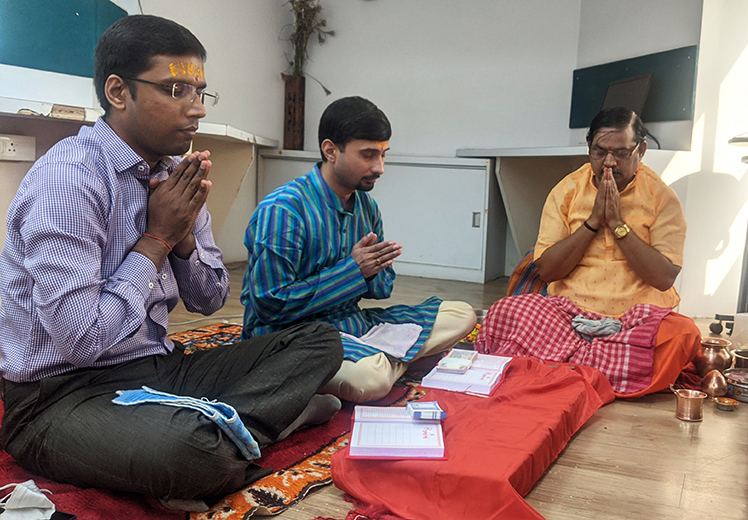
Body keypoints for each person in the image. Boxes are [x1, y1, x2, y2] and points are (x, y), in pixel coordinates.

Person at [0, 15, 343, 511]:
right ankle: (248, 425)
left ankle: (224, 425)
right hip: (59, 397)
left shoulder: (173, 176)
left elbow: (208, 301)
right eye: (176, 88)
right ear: (119, 92)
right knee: (192, 455)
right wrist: (157, 238)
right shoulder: (69, 179)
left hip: (158, 368)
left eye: (202, 92)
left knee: (319, 341)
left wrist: (182, 241)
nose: (197, 109)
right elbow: (79, 343)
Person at [241, 96, 477, 403]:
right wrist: (352, 271)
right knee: (370, 381)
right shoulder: (284, 209)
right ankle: (392, 360)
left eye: (383, 155)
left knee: (462, 314)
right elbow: (269, 304)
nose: (379, 168)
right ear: (330, 150)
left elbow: (382, 290)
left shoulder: (367, 207)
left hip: (351, 325)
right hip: (290, 338)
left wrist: (373, 271)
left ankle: (383, 359)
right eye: (368, 155)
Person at [476, 107, 701, 397]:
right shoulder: (567, 190)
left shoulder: (661, 197)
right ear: (588, 148)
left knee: (682, 335)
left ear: (641, 150)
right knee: (505, 313)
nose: (609, 162)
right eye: (599, 152)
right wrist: (593, 222)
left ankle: (561, 367)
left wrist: (618, 225)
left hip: (635, 318)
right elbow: (548, 271)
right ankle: (602, 370)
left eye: (621, 153)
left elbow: (663, 278)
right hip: (568, 314)